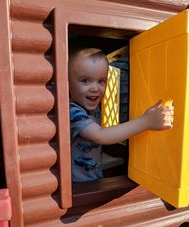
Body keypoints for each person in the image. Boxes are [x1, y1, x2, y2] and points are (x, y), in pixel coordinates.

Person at [68, 46, 174, 182]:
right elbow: (100, 135)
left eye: (101, 81)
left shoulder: (94, 109)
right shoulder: (73, 111)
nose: (95, 88)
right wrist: (146, 121)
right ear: (68, 84)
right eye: (85, 81)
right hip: (76, 185)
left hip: (93, 178)